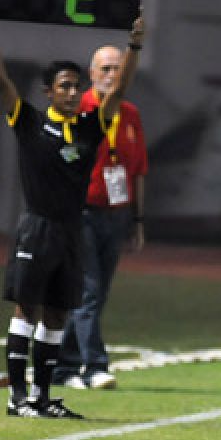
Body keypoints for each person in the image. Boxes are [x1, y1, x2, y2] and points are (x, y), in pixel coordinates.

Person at [0, 0, 144, 419]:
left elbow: (119, 90)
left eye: (73, 86)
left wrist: (135, 46)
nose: (69, 92)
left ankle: (44, 397)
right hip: (37, 229)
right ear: (48, 91)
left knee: (56, 315)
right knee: (26, 311)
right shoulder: (28, 121)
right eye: (62, 87)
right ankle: (17, 398)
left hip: (71, 230)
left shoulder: (90, 127)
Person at [52, 44, 148, 391]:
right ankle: (94, 366)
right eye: (105, 68)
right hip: (83, 212)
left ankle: (63, 367)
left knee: (98, 293)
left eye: (117, 69)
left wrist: (138, 221)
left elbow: (138, 170)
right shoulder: (82, 108)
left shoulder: (132, 115)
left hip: (117, 212)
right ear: (91, 74)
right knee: (89, 290)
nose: (112, 75)